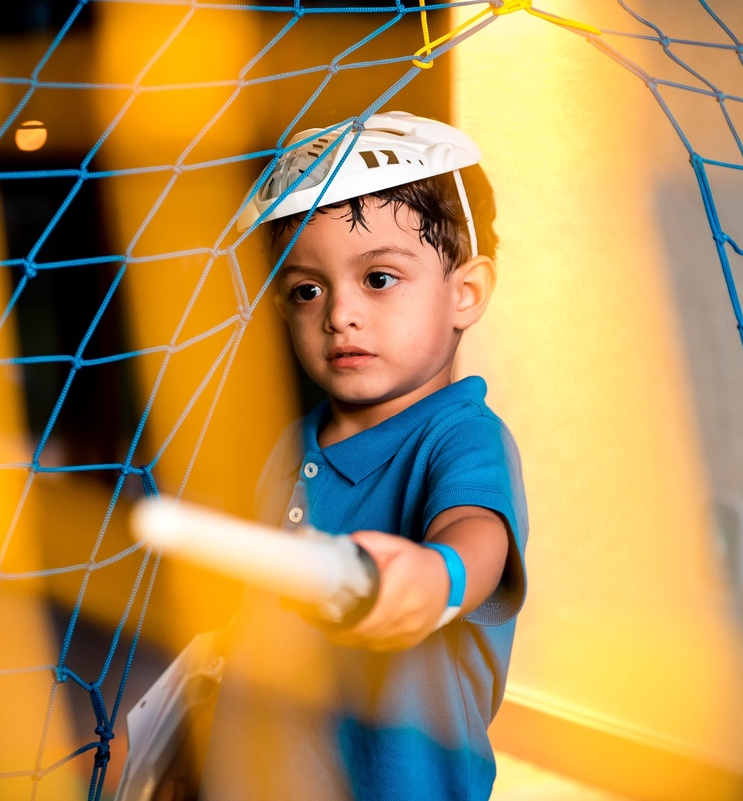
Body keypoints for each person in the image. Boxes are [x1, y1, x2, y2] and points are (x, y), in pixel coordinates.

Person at [161, 110, 528, 801]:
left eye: (379, 278)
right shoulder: (288, 446)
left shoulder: (460, 437)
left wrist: (433, 575)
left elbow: (479, 535)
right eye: (308, 289)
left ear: (466, 293)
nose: (339, 313)